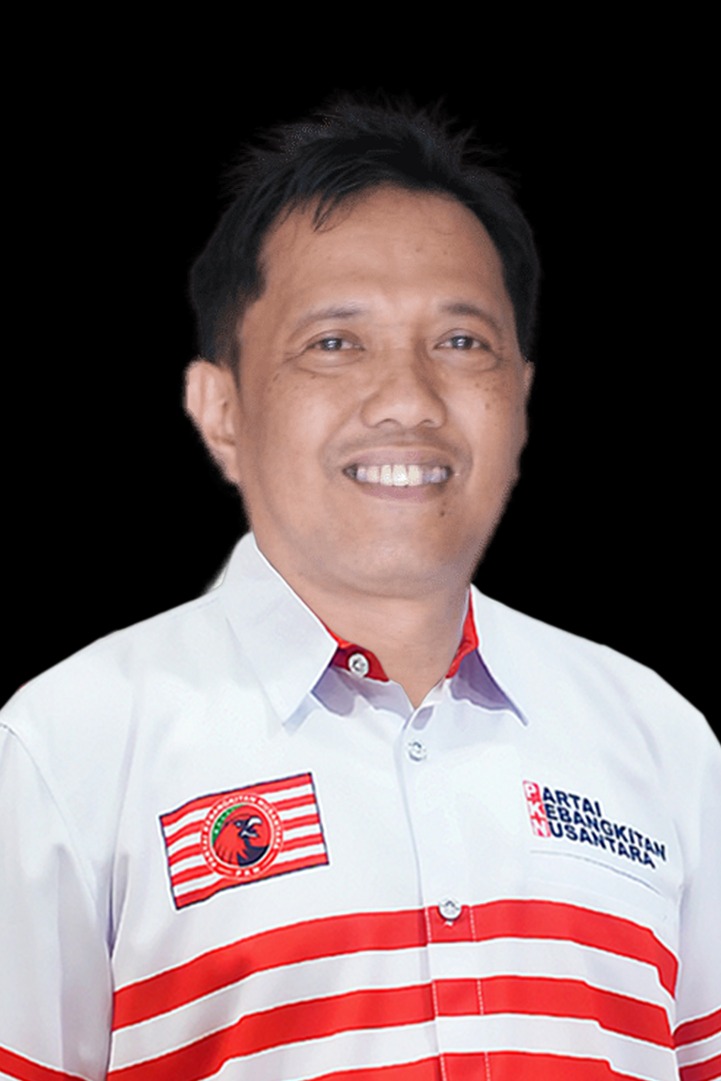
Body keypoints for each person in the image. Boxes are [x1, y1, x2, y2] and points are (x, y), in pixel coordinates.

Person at [1, 95, 719, 1081]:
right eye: (335, 343)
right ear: (220, 405)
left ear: (519, 399)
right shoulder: (64, 747)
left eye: (461, 342)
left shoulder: (662, 739)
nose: (408, 401)